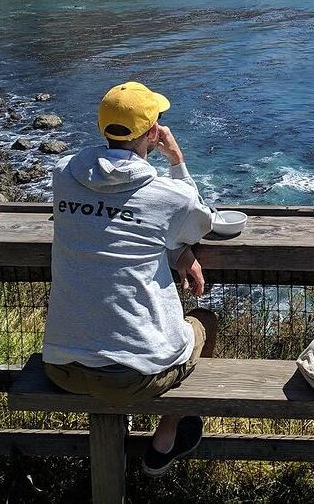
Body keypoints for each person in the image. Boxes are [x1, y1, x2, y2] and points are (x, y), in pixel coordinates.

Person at [42, 81, 217, 477]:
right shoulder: (169, 194)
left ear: (102, 127)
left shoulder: (62, 175)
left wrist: (171, 245)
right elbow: (197, 223)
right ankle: (167, 436)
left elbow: (108, 212)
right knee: (205, 320)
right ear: (153, 133)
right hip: (136, 375)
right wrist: (176, 160)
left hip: (62, 365)